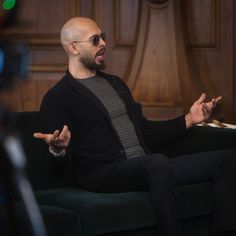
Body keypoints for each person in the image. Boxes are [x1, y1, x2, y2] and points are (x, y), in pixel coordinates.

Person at [33, 17, 236, 236]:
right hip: (105, 175)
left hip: (146, 168)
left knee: (228, 160)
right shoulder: (58, 97)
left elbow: (145, 131)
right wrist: (58, 148)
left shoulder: (116, 84)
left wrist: (189, 118)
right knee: (157, 163)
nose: (103, 43)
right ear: (73, 47)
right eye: (94, 40)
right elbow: (56, 158)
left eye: (103, 37)